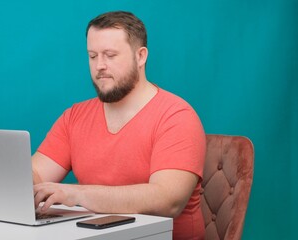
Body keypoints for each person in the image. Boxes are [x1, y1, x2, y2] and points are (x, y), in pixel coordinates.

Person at [32, 11, 206, 239]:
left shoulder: (176, 116)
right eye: (92, 56)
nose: (99, 66)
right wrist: (16, 183)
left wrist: (76, 194)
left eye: (110, 55)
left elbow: (167, 200)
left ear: (141, 56)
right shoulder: (75, 116)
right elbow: (36, 172)